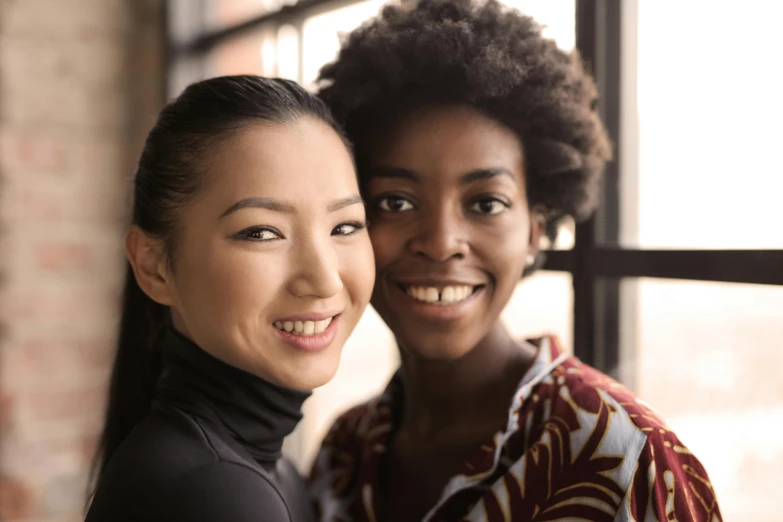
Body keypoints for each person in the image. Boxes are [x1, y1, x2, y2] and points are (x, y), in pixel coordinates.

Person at [308, 1, 722, 520]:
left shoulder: (628, 460)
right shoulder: (343, 451)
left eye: (485, 203)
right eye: (395, 201)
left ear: (535, 231)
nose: (440, 243)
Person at [85, 75, 375, 522]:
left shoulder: (271, 473)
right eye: (262, 232)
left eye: (344, 227)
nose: (323, 280)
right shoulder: (213, 490)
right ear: (153, 265)